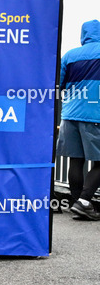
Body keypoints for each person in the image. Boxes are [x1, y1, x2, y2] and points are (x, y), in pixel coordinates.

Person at [57, 20, 100, 220]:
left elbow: (60, 84)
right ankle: (84, 201)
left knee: (76, 160)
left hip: (69, 114)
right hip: (95, 115)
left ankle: (77, 203)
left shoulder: (69, 55)